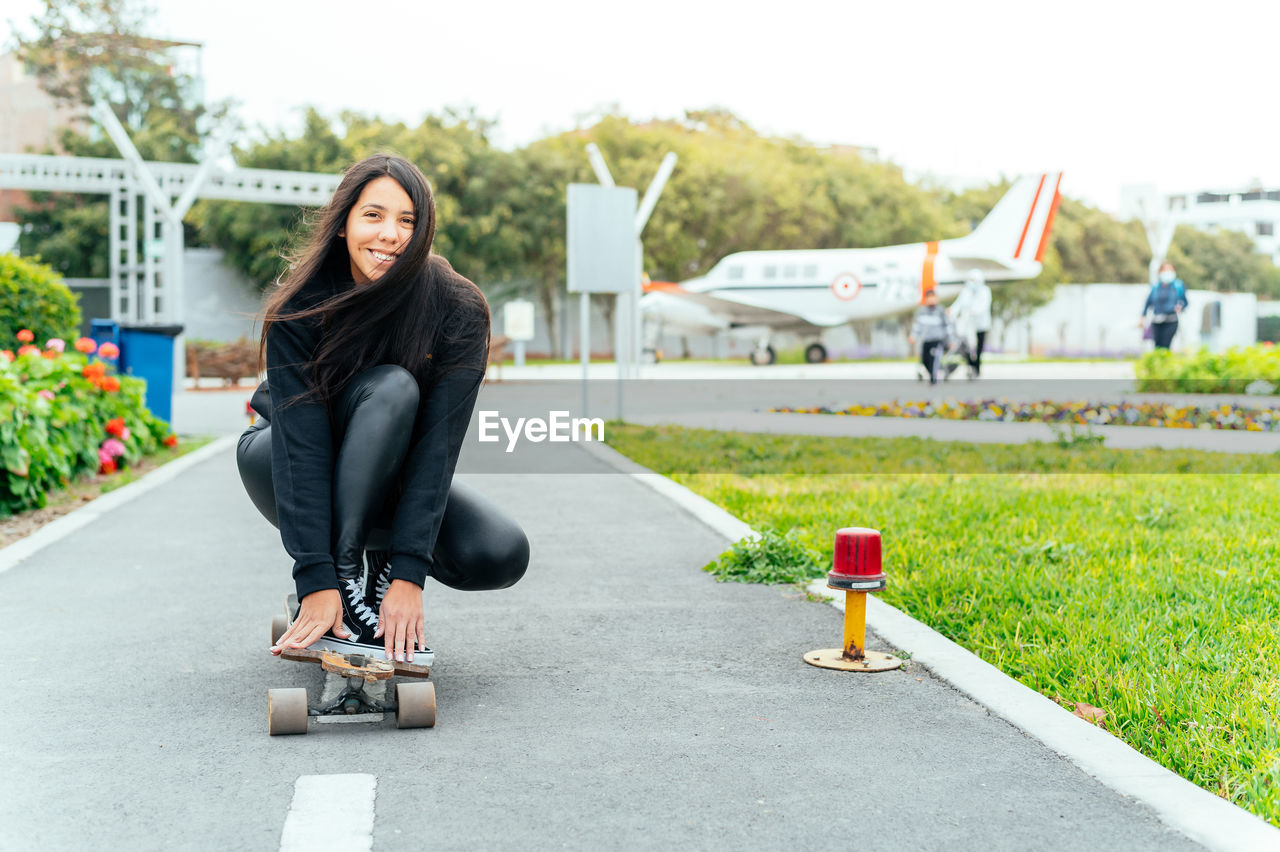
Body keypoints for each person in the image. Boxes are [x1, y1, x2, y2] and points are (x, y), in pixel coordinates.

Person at [236, 154, 529, 666]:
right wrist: (317, 577)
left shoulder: (456, 310)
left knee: (499, 552)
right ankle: (348, 581)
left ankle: (374, 583)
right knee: (392, 387)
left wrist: (407, 574)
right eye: (373, 215)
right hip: (282, 462)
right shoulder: (302, 307)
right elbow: (301, 448)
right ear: (344, 221)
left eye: (408, 220)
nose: (390, 234)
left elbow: (437, 449)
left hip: (388, 477)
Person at [948, 268, 992, 376]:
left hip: (981, 325)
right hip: (967, 325)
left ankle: (976, 367)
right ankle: (970, 365)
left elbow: (984, 306)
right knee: (965, 346)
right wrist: (951, 311)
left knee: (978, 349)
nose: (971, 282)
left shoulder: (985, 291)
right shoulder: (965, 291)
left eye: (973, 280)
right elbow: (958, 304)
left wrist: (974, 311)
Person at [908, 288, 954, 384]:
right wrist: (913, 336)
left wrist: (950, 340)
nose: (931, 300)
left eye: (933, 297)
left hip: (937, 340)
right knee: (925, 360)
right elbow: (917, 326)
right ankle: (936, 374)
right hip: (926, 340)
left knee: (934, 360)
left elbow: (947, 327)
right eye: (929, 298)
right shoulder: (921, 311)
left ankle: (934, 380)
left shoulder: (941, 311)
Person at [1141, 261, 1188, 350]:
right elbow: (1148, 303)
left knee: (1165, 345)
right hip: (1157, 321)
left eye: (1170, 270)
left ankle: (1165, 361)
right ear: (1160, 272)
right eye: (1165, 270)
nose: (1168, 272)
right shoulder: (1155, 287)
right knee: (1157, 345)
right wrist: (1142, 317)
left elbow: (1185, 302)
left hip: (1171, 320)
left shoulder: (1178, 285)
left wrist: (1180, 307)